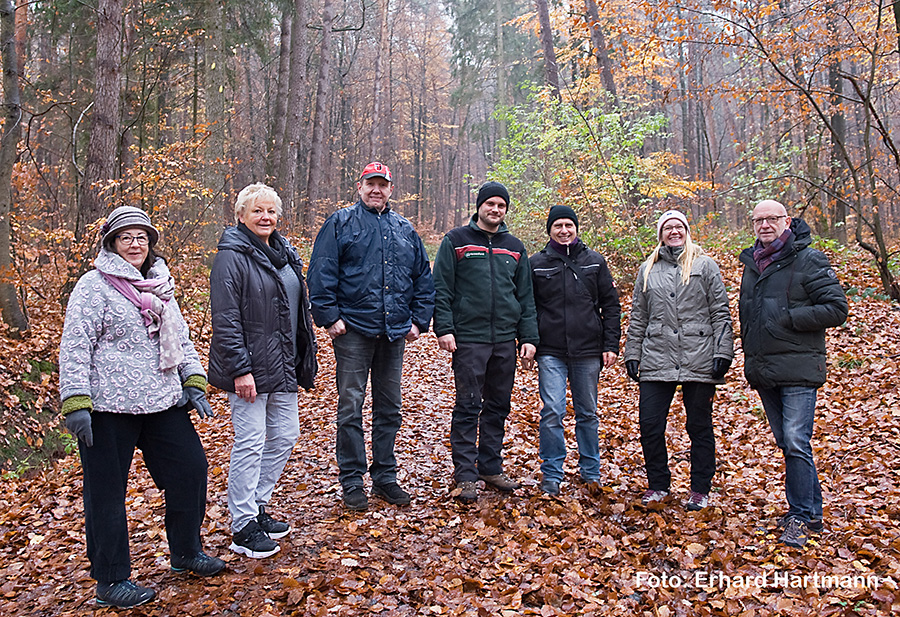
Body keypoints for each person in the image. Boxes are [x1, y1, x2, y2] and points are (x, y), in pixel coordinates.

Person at [59, 206, 224, 608]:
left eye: (142, 237)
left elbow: (181, 338)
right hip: (107, 406)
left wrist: (195, 381)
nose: (135, 244)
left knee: (190, 470)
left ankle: (186, 552)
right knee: (106, 493)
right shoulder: (93, 286)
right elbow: (76, 343)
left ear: (150, 243)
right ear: (112, 243)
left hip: (162, 399)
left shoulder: (161, 284)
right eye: (126, 237)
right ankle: (111, 580)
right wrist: (76, 401)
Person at [307, 162, 434, 511]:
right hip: (353, 331)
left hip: (393, 333)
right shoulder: (340, 223)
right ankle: (352, 480)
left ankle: (385, 477)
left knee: (389, 406)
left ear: (391, 189)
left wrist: (418, 321)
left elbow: (423, 279)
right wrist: (329, 317)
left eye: (383, 184)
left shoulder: (404, 229)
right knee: (350, 405)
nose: (376, 190)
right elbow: (320, 272)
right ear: (359, 186)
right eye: (370, 184)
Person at [209, 183, 318, 558]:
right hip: (250, 370)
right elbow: (226, 319)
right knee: (251, 443)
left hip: (283, 364)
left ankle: (256, 505)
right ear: (241, 215)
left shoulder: (284, 253)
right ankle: (242, 526)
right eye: (257, 211)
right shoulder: (231, 257)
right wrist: (240, 370)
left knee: (285, 436)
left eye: (271, 211)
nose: (265, 217)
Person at [739, 200, 848, 547]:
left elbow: (836, 308)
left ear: (787, 221)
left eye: (772, 219)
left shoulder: (808, 258)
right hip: (765, 367)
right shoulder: (753, 264)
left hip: (799, 367)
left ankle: (801, 516)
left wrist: (791, 318)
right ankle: (809, 511)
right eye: (759, 220)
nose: (765, 225)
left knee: (797, 441)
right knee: (788, 443)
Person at [432, 181, 539, 503]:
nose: (495, 210)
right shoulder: (456, 241)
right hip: (469, 339)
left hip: (505, 340)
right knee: (468, 405)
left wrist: (529, 337)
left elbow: (526, 296)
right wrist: (444, 329)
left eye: (501, 206)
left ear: (506, 210)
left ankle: (490, 467)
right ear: (479, 206)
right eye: (490, 204)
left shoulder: (515, 246)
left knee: (497, 406)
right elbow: (442, 288)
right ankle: (465, 474)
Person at [624, 210, 733, 511]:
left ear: (687, 230)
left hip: (699, 354)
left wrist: (723, 351)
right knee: (650, 424)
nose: (674, 232)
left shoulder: (704, 265)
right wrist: (632, 352)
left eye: (679, 227)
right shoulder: (648, 269)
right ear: (660, 234)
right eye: (668, 228)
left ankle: (700, 489)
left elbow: (720, 311)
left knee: (699, 425)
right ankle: (658, 485)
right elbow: (639, 317)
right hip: (658, 355)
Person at [530, 206, 621, 496]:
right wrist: (529, 341)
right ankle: (552, 474)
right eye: (558, 225)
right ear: (550, 230)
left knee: (587, 413)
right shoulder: (536, 264)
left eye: (569, 224)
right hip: (550, 350)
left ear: (577, 228)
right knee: (553, 410)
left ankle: (591, 471)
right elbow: (527, 308)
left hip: (588, 351)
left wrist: (610, 345)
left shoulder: (594, 262)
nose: (564, 230)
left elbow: (611, 305)